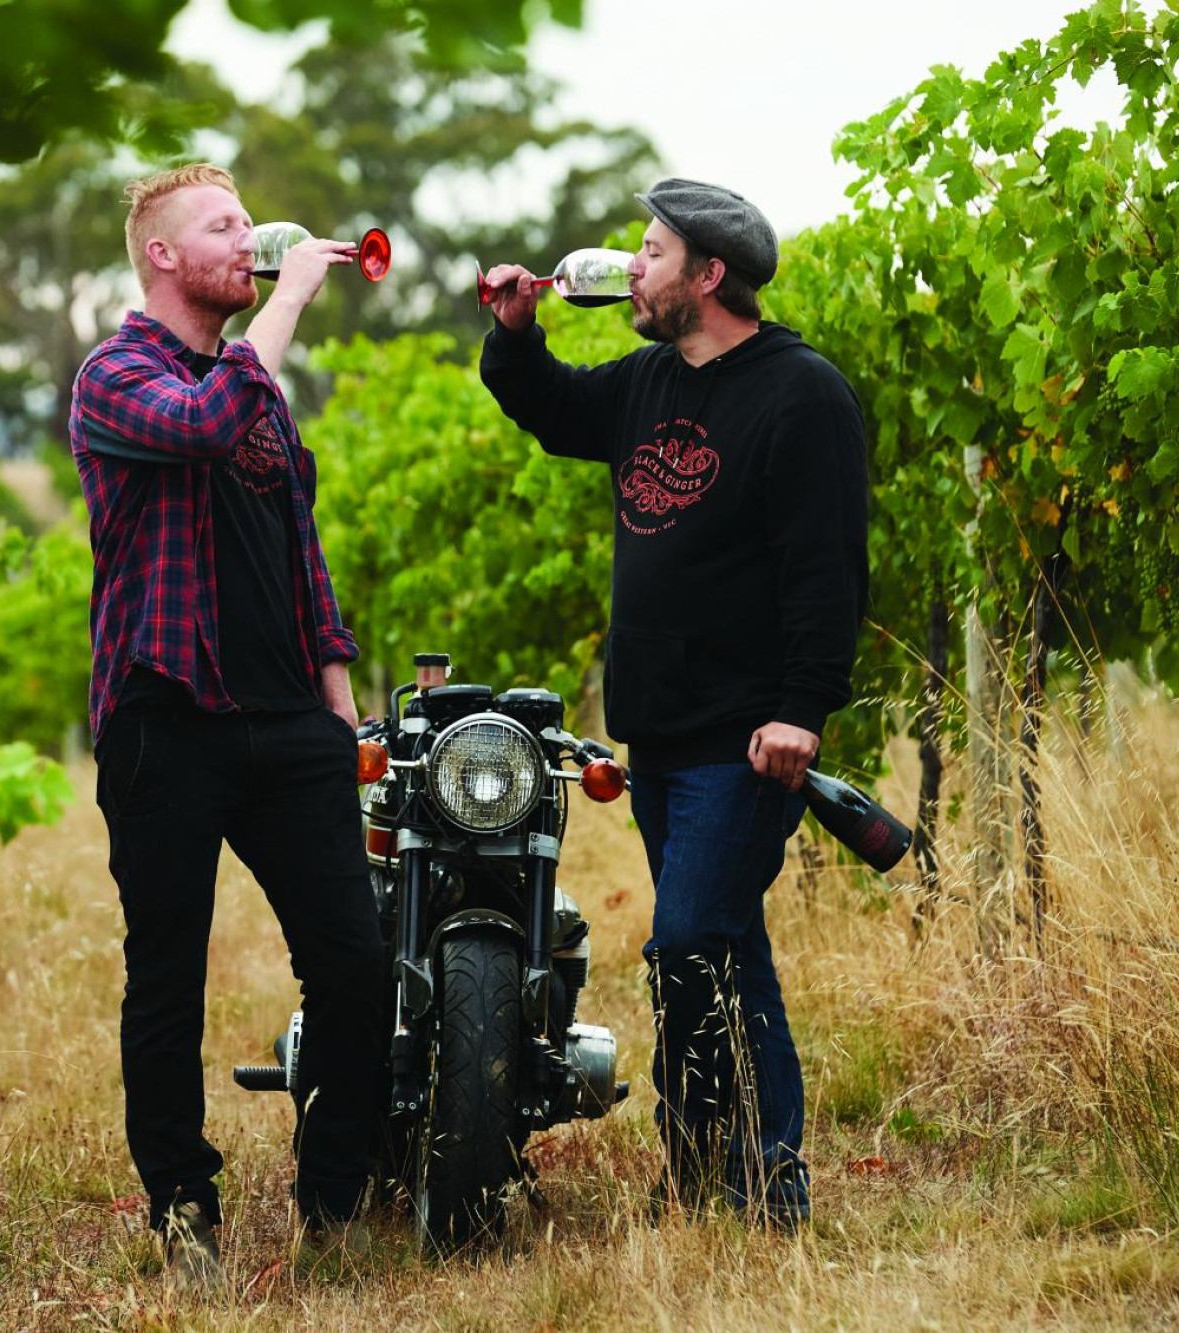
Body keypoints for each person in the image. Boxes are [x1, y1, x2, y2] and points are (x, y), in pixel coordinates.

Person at [477, 179, 869, 1228]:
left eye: (648, 253)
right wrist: (513, 336)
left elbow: (825, 570)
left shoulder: (800, 393)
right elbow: (552, 412)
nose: (629, 269)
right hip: (656, 729)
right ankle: (730, 1175)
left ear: (706, 275)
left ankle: (740, 1173)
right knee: (723, 944)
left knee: (688, 942)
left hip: (745, 737)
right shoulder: (650, 378)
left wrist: (801, 707)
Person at [68, 164, 387, 1289]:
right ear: (162, 255)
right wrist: (290, 298)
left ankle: (334, 1199)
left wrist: (338, 696)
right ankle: (183, 1207)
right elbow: (201, 427)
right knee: (167, 978)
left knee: (355, 966)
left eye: (250, 222)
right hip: (165, 718)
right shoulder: (114, 376)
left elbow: (297, 544)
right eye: (224, 225)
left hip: (288, 721)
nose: (249, 240)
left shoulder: (259, 388)